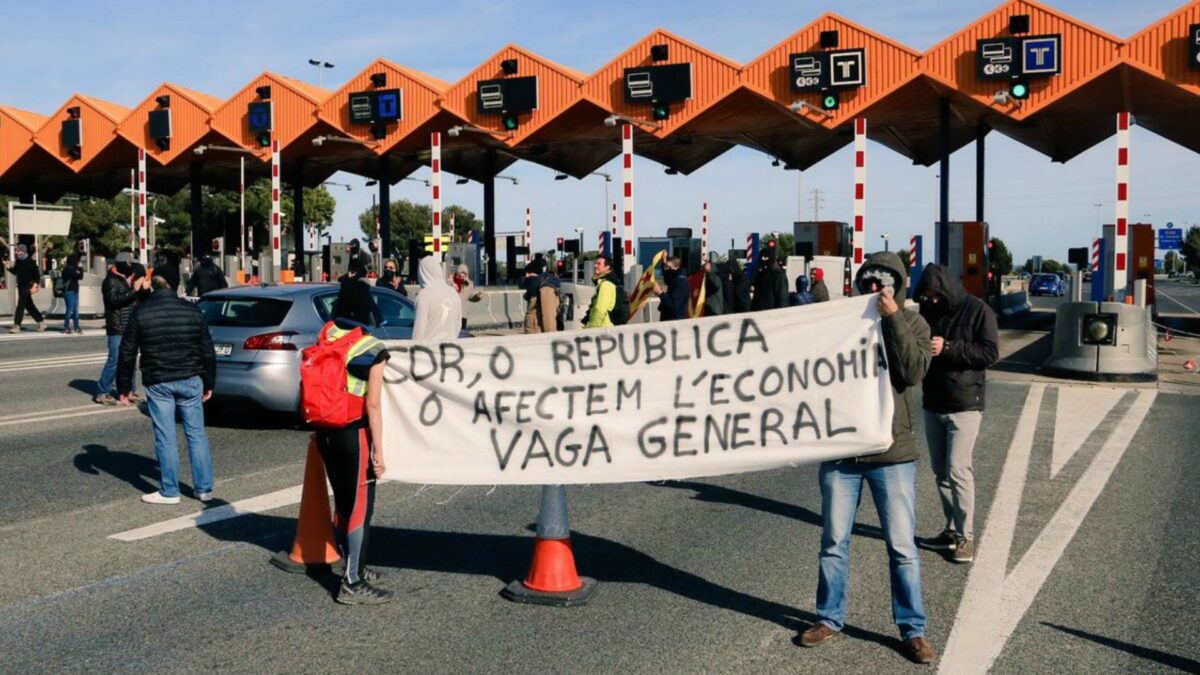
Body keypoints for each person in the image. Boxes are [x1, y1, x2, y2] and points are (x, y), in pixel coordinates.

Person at [800, 251, 935, 665]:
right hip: (843, 454)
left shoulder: (913, 322)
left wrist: (892, 318)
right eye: (868, 283)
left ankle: (913, 629)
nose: (873, 291)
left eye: (883, 284)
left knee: (901, 546)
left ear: (897, 287)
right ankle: (830, 617)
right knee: (834, 543)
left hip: (891, 453)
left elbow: (912, 371)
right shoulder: (844, 322)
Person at [309, 274, 393, 604]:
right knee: (359, 507)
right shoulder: (371, 348)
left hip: (325, 431)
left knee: (343, 502)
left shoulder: (326, 335)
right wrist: (379, 450)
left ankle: (355, 564)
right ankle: (352, 582)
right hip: (353, 432)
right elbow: (373, 403)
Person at [913, 263, 999, 564]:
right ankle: (951, 529)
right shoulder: (928, 311)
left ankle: (966, 538)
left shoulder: (979, 311)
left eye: (935, 296)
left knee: (959, 469)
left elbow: (990, 352)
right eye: (926, 296)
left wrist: (948, 347)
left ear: (947, 289)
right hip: (933, 401)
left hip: (965, 404)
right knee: (940, 472)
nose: (931, 301)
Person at [117, 276, 216, 506]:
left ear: (153, 285)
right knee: (196, 434)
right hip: (191, 378)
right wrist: (209, 381)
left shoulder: (142, 312)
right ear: (175, 285)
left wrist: (123, 387)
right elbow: (207, 349)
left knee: (165, 436)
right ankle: (204, 489)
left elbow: (127, 351)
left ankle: (170, 491)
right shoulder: (193, 311)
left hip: (159, 380)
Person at [96, 262, 145, 405]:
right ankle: (103, 391)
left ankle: (128, 390)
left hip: (129, 325)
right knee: (115, 360)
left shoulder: (125, 279)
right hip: (117, 327)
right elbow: (114, 301)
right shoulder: (110, 281)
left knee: (130, 360)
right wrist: (134, 290)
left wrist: (141, 289)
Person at [413, 256, 462, 341]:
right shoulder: (453, 293)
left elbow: (419, 329)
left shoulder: (424, 295)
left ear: (422, 273)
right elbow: (458, 324)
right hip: (451, 348)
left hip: (428, 350)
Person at [8, 243, 45, 333]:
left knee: (20, 305)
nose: (16, 252)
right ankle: (41, 322)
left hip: (28, 286)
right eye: (16, 250)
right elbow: (15, 271)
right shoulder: (18, 262)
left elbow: (37, 276)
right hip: (21, 287)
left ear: (23, 251)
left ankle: (17, 326)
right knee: (29, 306)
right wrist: (9, 268)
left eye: (18, 250)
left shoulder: (30, 262)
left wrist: (35, 286)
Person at [522, 260, 561, 334]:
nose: (527, 276)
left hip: (536, 332)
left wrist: (549, 336)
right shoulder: (541, 284)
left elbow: (547, 315)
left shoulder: (544, 286)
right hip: (536, 332)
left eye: (529, 273)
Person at [585, 254, 618, 328]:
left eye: (599, 264)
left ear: (607, 267)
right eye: (595, 263)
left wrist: (592, 328)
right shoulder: (604, 283)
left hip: (602, 329)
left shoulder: (606, 285)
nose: (595, 266)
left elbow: (600, 309)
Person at [654, 256, 691, 321]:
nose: (666, 269)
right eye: (666, 267)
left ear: (677, 267)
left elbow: (673, 304)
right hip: (668, 317)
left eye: (669, 267)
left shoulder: (681, 283)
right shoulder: (674, 277)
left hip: (674, 320)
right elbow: (667, 277)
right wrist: (663, 261)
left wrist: (660, 293)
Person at [450, 263, 483, 331]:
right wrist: (451, 285)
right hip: (452, 313)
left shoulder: (469, 284)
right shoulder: (451, 281)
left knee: (462, 333)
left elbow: (471, 296)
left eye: (464, 273)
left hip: (463, 314)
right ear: (457, 272)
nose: (462, 274)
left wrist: (478, 296)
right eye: (461, 272)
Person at [61, 248, 85, 334]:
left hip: (73, 291)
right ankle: (67, 327)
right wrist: (81, 268)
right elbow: (80, 276)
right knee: (71, 310)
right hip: (70, 291)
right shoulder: (69, 269)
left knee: (74, 310)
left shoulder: (69, 268)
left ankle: (75, 327)